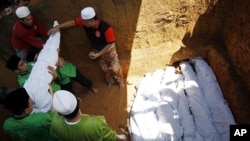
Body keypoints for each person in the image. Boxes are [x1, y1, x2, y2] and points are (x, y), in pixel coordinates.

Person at [48, 7, 124, 89]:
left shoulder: (106, 28)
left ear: (92, 21)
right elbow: (72, 22)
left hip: (109, 52)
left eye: (85, 22)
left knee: (115, 68)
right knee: (105, 68)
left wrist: (99, 54)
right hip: (97, 52)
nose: (83, 24)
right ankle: (111, 81)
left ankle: (120, 81)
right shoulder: (86, 23)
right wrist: (58, 27)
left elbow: (111, 44)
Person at [51, 90, 126, 141]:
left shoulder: (54, 123)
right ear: (79, 100)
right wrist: (119, 137)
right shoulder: (96, 124)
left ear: (59, 113)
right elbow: (109, 137)